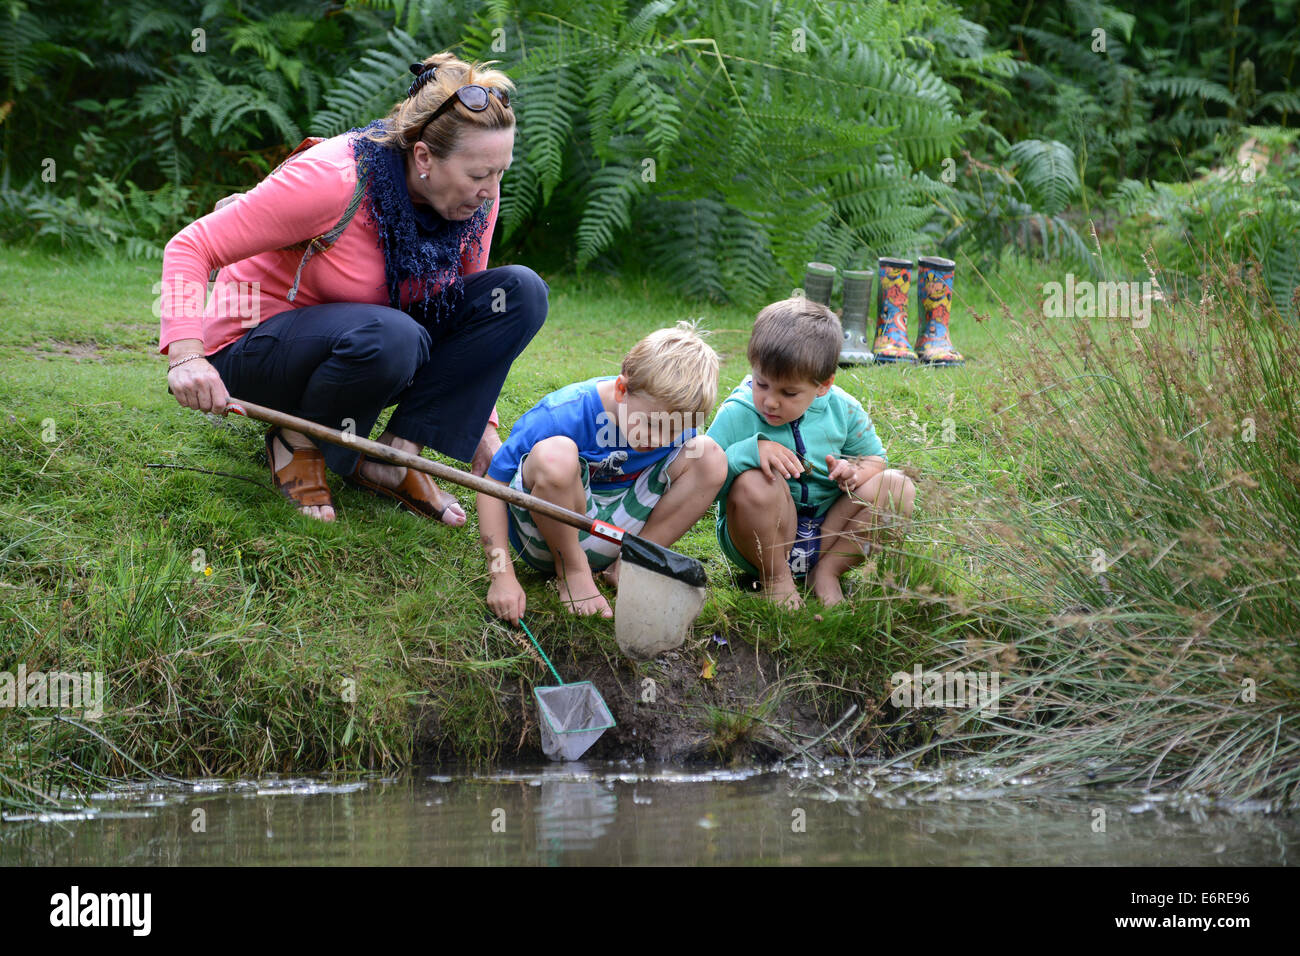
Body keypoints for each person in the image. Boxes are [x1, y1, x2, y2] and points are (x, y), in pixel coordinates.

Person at [159, 52, 547, 524]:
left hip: (373, 346)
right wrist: (186, 355)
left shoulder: (474, 196)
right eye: (479, 175)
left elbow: (462, 311)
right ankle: (293, 439)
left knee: (521, 291)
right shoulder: (334, 178)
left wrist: (482, 424)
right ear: (423, 156)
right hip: (256, 351)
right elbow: (190, 245)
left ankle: (392, 455)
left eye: (500, 171)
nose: (491, 189)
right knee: (393, 334)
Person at [479, 322, 728, 624]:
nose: (660, 440)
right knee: (554, 456)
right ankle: (572, 571)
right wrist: (500, 573)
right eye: (650, 424)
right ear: (622, 389)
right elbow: (491, 486)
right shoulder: (563, 413)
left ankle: (634, 561)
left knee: (711, 457)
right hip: (547, 532)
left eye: (674, 430)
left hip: (614, 528)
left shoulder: (672, 418)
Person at [706, 296, 916, 608]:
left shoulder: (843, 409)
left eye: (789, 392)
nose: (770, 401)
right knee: (754, 482)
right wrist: (749, 452)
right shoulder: (738, 412)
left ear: (823, 385)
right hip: (762, 540)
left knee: (899, 487)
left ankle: (827, 573)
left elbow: (876, 460)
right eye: (761, 384)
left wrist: (855, 471)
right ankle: (775, 579)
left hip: (828, 534)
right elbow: (705, 479)